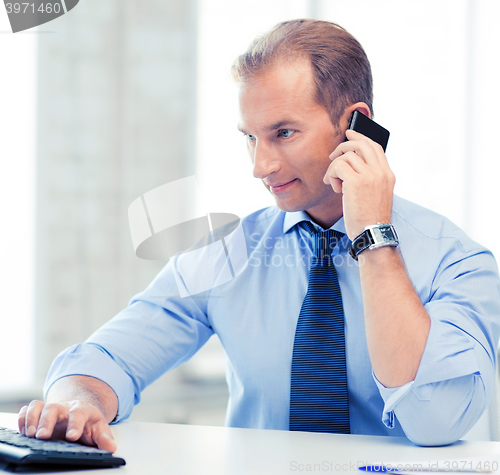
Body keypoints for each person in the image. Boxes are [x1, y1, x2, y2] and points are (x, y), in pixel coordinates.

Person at [18, 19, 500, 451]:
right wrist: (76, 403)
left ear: (355, 125)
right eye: (250, 137)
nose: (260, 166)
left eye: (283, 133)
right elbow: (110, 358)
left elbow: (436, 420)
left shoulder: (458, 262)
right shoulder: (225, 252)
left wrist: (372, 235)